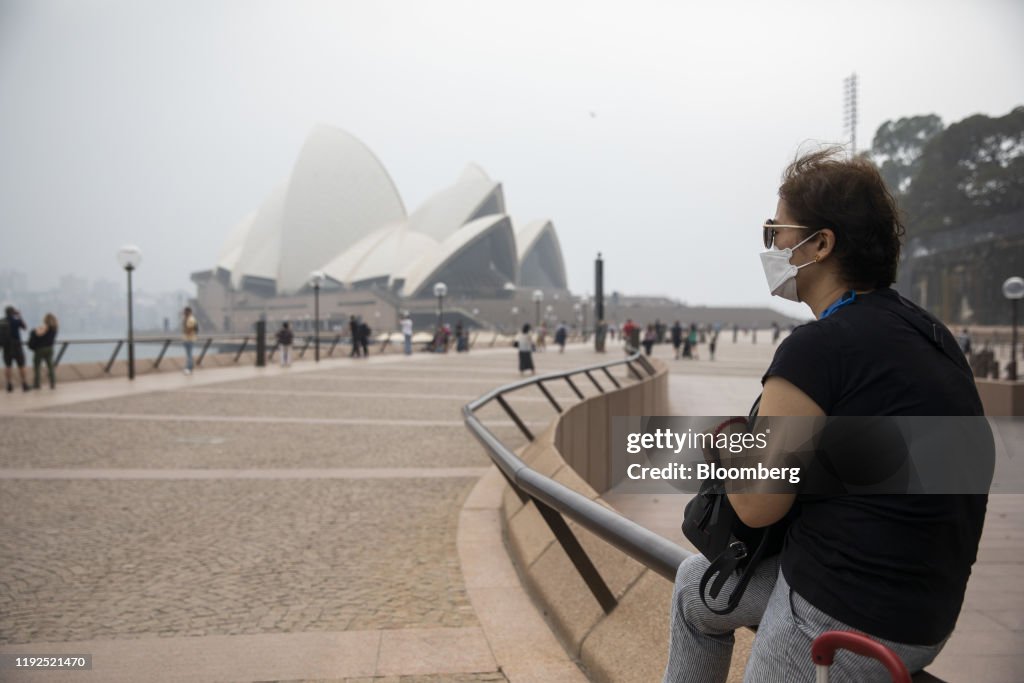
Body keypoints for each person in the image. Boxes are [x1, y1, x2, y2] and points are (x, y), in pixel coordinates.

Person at [664, 147, 988, 682]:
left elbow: (756, 506)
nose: (772, 246)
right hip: (926, 613)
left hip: (841, 614)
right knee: (696, 589)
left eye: (777, 232)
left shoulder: (817, 349)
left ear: (821, 243)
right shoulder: (930, 335)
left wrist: (729, 445)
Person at [2, 306, 30, 392]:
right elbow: (25, 327)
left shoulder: (1, 321)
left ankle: (9, 385)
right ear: (13, 312)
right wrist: (19, 316)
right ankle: (24, 384)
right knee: (21, 365)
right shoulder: (16, 320)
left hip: (6, 347)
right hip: (17, 346)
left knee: (8, 366)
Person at [27, 313, 58, 389]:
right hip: (50, 349)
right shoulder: (55, 328)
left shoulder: (44, 328)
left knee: (37, 367)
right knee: (50, 366)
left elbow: (37, 334)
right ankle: (52, 383)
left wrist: (35, 331)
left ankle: (37, 384)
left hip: (40, 349)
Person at [182, 307, 198, 375]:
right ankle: (189, 368)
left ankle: (189, 368)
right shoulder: (189, 319)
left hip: (189, 339)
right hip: (188, 339)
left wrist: (185, 330)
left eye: (185, 312)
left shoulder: (191, 319)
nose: (184, 313)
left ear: (188, 312)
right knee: (189, 354)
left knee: (189, 355)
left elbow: (189, 329)